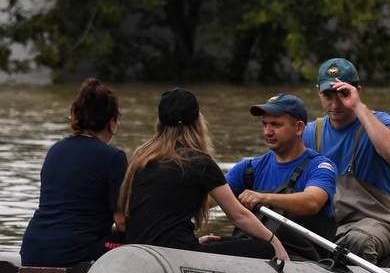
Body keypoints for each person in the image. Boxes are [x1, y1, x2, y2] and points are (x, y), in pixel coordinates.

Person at [119, 88, 289, 262]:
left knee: (225, 240)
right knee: (263, 248)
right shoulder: (199, 162)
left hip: (139, 249)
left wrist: (195, 242)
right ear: (198, 122)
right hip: (176, 253)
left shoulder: (141, 158)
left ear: (160, 122)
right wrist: (274, 241)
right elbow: (239, 216)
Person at [208, 93, 338, 261]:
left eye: (276, 125)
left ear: (299, 128)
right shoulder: (248, 169)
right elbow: (208, 201)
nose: (267, 132)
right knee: (211, 245)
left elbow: (312, 202)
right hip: (254, 251)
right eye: (264, 124)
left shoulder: (320, 166)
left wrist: (264, 197)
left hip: (303, 259)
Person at [305, 57, 390, 264]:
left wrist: (358, 107)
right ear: (318, 92)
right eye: (327, 95)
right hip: (327, 227)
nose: (335, 104)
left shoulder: (379, 122)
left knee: (357, 242)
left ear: (357, 90)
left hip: (376, 223)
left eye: (343, 94)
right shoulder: (310, 132)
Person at [21, 78, 128, 267]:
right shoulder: (114, 158)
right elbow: (122, 222)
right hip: (76, 252)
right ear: (112, 122)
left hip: (32, 247)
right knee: (136, 245)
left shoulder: (55, 150)